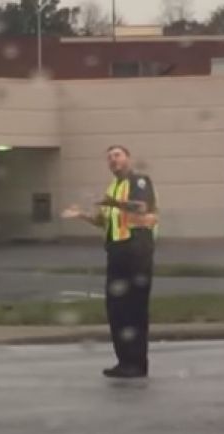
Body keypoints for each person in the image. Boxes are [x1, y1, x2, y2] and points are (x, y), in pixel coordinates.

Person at [62, 145, 158, 378]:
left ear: (128, 158)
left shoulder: (140, 181)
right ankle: (124, 361)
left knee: (134, 309)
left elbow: (140, 207)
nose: (113, 160)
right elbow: (105, 222)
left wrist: (110, 202)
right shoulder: (113, 187)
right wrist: (82, 214)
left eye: (117, 155)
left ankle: (137, 363)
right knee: (116, 309)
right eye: (109, 158)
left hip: (137, 250)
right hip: (116, 251)